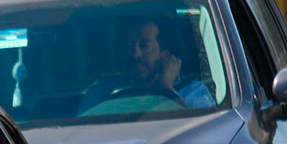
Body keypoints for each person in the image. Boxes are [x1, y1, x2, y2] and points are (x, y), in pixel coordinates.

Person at [78, 19, 216, 114]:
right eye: (127, 47)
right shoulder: (99, 93)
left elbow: (203, 133)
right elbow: (82, 135)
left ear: (163, 54)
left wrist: (166, 88)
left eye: (145, 46)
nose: (135, 54)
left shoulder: (191, 91)